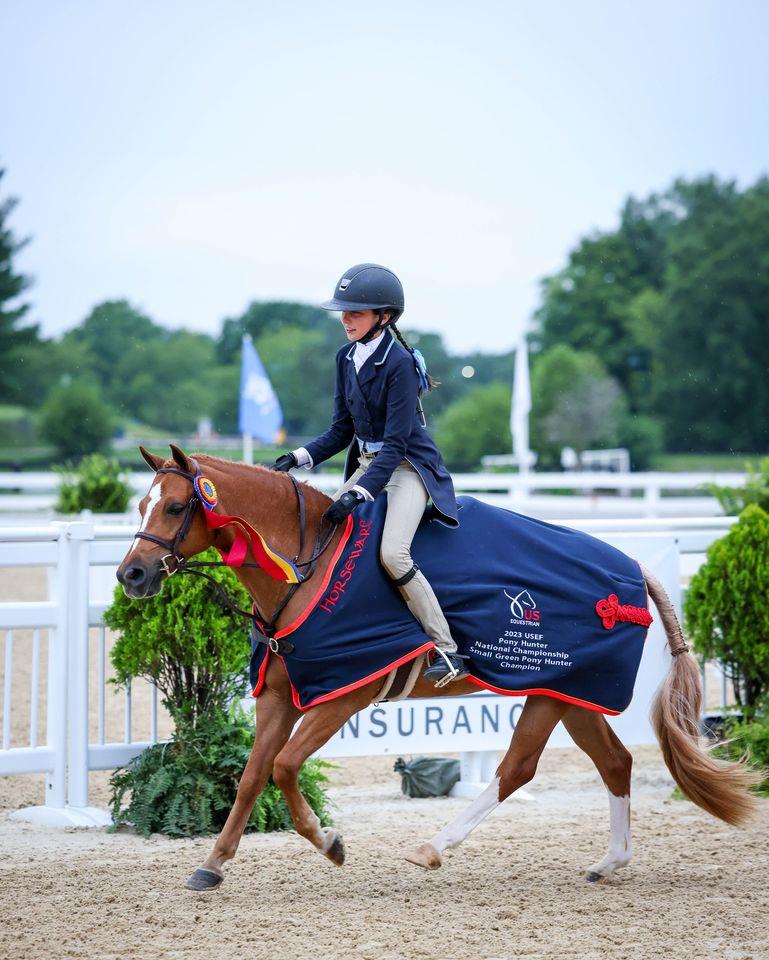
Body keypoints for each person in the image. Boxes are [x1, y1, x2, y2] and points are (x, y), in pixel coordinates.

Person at [271, 263, 467, 686]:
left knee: (392, 554)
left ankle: (447, 650)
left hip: (407, 468)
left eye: (355, 313)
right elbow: (342, 430)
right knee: (322, 540)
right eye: (343, 312)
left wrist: (358, 493)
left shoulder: (397, 364)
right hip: (366, 464)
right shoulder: (345, 357)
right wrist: (298, 456)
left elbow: (395, 445)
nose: (345, 319)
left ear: (385, 316)